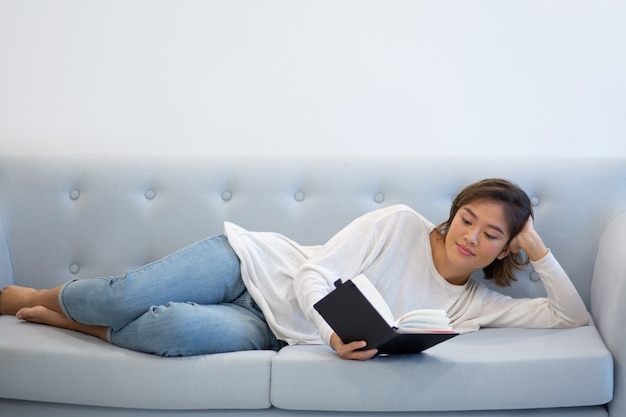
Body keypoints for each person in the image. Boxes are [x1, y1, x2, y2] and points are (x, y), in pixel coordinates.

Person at [0, 178, 589, 361]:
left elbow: (569, 317)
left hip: (273, 330)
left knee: (172, 331)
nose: (470, 237)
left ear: (503, 248)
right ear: (453, 213)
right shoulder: (400, 224)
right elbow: (316, 275)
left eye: (492, 235)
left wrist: (536, 246)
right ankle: (32, 294)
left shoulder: (474, 305)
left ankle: (74, 326)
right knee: (124, 294)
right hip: (252, 265)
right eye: (467, 220)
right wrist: (333, 330)